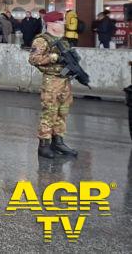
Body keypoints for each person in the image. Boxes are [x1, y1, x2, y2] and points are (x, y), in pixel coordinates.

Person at [28, 11, 77, 159]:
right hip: (51, 81)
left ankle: (58, 141)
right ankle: (44, 145)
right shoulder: (42, 40)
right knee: (49, 112)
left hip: (64, 81)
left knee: (62, 112)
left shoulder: (63, 40)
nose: (62, 23)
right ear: (50, 24)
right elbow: (33, 59)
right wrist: (54, 57)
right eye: (59, 21)